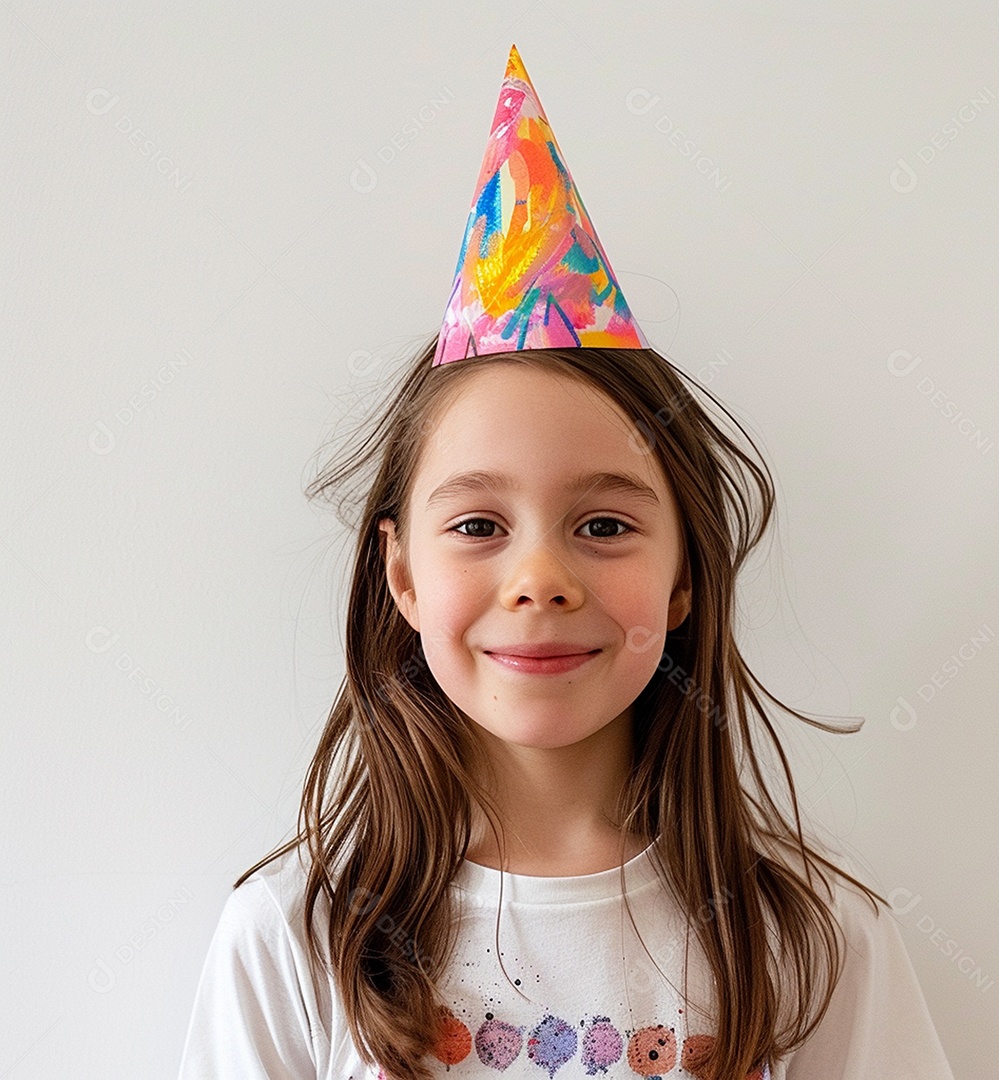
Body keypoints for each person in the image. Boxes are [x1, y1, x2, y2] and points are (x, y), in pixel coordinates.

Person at [177, 44, 955, 1080]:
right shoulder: (295, 942)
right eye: (479, 526)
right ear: (401, 578)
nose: (540, 579)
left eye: (603, 526)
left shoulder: (813, 942)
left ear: (684, 579)